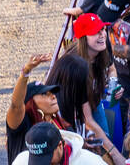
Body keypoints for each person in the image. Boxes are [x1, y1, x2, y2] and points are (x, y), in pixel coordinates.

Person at [48, 12, 116, 149]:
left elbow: (111, 68)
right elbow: (87, 120)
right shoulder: (75, 66)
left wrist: (113, 85)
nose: (102, 34)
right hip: (71, 116)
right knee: (99, 148)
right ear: (84, 38)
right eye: (96, 32)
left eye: (103, 29)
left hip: (93, 103)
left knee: (105, 139)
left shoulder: (102, 48)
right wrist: (115, 155)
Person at [5, 53, 72, 165]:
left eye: (52, 93)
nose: (53, 96)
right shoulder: (22, 125)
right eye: (45, 94)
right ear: (30, 103)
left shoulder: (60, 122)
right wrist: (25, 72)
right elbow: (16, 105)